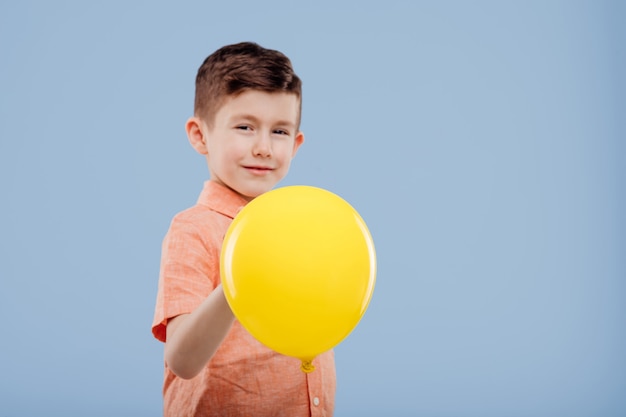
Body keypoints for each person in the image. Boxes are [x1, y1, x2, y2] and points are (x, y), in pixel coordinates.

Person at [151, 42, 336, 416]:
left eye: (280, 132)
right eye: (245, 127)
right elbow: (182, 360)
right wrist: (239, 282)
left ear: (297, 144)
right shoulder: (194, 230)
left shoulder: (300, 229)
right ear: (200, 135)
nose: (264, 147)